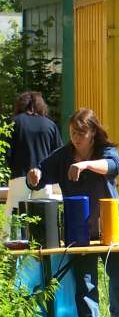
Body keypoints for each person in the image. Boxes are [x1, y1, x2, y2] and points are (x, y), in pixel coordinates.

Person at [27, 108, 119, 317]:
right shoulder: (63, 156)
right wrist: (35, 175)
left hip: (112, 225)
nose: (76, 138)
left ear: (93, 132)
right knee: (85, 282)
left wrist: (85, 165)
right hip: (79, 229)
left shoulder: (106, 151)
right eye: (73, 133)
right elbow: (40, 173)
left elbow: (114, 166)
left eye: (81, 133)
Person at [2, 91, 62, 237]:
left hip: (19, 175)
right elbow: (58, 155)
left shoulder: (13, 123)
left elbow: (6, 153)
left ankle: (10, 248)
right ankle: (42, 247)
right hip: (44, 179)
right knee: (42, 219)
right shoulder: (50, 125)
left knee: (14, 219)